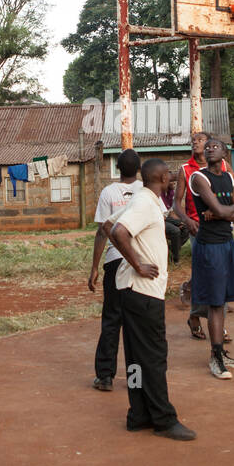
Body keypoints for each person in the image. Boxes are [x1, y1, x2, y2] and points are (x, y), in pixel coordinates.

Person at [107, 158, 197, 441]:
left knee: (136, 358)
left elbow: (109, 226)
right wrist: (137, 265)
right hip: (143, 292)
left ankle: (139, 414)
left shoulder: (144, 200)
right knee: (154, 358)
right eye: (169, 176)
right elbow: (117, 231)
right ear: (161, 177)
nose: (172, 179)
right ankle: (163, 418)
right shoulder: (145, 203)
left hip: (134, 292)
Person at [189, 138, 234, 379]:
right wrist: (225, 212)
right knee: (214, 303)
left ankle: (221, 354)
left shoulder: (227, 178)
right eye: (208, 146)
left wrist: (221, 214)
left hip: (226, 244)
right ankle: (215, 357)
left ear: (225, 153)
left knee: (222, 301)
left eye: (216, 146)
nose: (210, 148)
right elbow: (231, 210)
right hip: (209, 246)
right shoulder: (199, 178)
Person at [88, 149, 142, 391]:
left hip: (115, 260)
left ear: (118, 168)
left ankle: (105, 377)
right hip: (141, 262)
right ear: (139, 168)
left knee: (112, 318)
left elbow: (102, 232)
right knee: (137, 324)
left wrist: (94, 268)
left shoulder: (108, 192)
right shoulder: (146, 191)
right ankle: (136, 379)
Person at [172, 131, 212, 338]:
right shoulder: (185, 170)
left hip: (220, 227)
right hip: (198, 227)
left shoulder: (221, 165)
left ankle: (208, 318)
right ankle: (199, 317)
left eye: (200, 140)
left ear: (210, 144)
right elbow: (176, 203)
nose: (195, 143)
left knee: (218, 272)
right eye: (193, 141)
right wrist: (187, 221)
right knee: (205, 272)